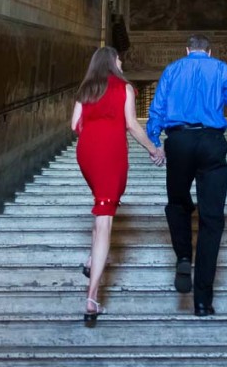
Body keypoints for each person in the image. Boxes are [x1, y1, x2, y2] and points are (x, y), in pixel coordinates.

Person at [146, 33, 227, 317]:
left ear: (187, 50)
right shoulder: (220, 68)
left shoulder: (172, 69)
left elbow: (156, 109)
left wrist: (154, 141)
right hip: (211, 143)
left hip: (179, 142)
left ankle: (183, 254)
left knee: (177, 203)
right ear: (208, 51)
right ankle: (203, 301)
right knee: (212, 219)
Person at [72, 46, 164, 323]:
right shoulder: (124, 87)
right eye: (119, 59)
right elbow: (132, 125)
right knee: (105, 220)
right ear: (112, 62)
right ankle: (91, 297)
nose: (122, 62)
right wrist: (153, 148)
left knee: (101, 207)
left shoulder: (86, 88)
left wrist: (95, 125)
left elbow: (74, 124)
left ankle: (91, 261)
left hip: (86, 151)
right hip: (110, 152)